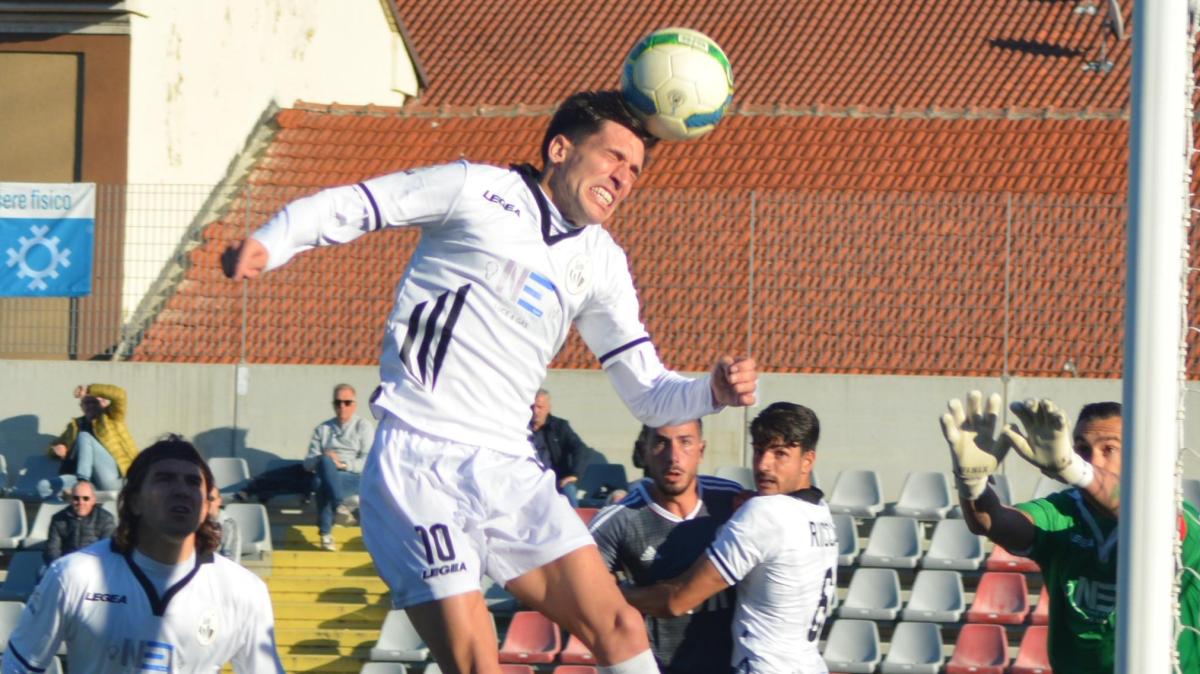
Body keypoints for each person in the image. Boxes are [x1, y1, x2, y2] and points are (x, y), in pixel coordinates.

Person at [223, 89, 758, 674]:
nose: (624, 177)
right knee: (479, 659)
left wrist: (710, 392)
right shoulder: (473, 189)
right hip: (418, 458)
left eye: (634, 170)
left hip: (508, 467)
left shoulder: (602, 261)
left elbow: (647, 392)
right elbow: (355, 205)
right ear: (560, 148)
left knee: (620, 626)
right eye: (612, 158)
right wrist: (272, 241)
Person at [938, 392, 1200, 673]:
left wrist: (1073, 469)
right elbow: (992, 522)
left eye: (1108, 449)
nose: (1093, 460)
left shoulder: (1175, 513)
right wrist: (972, 485)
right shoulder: (1063, 511)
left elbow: (1144, 517)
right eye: (1081, 450)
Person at [2, 435, 285, 673]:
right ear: (134, 501)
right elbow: (17, 667)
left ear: (205, 504)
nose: (181, 490)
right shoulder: (74, 575)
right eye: (165, 479)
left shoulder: (244, 591)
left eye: (192, 482)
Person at [623, 403, 837, 674]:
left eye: (780, 453)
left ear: (808, 460)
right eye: (759, 450)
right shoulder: (820, 511)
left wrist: (622, 593)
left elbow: (677, 600)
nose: (763, 465)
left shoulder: (763, 513)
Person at [589, 418, 742, 673]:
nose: (674, 456)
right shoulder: (619, 519)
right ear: (644, 450)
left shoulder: (731, 501)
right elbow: (585, 592)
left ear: (701, 451)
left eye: (685, 442)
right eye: (661, 442)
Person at [305, 384, 375, 551]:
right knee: (325, 465)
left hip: (353, 477)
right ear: (333, 404)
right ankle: (339, 507)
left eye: (347, 402)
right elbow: (307, 462)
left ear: (354, 404)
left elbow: (368, 461)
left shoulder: (363, 426)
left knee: (322, 483)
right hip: (328, 474)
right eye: (338, 402)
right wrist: (325, 459)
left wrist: (342, 464)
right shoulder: (323, 429)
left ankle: (325, 533)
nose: (342, 406)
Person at [39, 383, 138, 500]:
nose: (90, 406)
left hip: (113, 478)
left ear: (103, 404)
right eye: (87, 403)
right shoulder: (75, 426)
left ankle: (82, 483)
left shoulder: (112, 418)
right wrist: (55, 450)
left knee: (84, 436)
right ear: (81, 406)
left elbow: (120, 395)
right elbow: (53, 446)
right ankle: (73, 512)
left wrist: (89, 390)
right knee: (44, 486)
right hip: (90, 482)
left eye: (94, 402)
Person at [530, 388, 596, 507]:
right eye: (533, 407)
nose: (535, 411)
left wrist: (574, 475)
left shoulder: (560, 427)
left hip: (557, 480)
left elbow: (581, 449)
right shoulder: (521, 428)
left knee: (569, 490)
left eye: (540, 407)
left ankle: (575, 522)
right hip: (529, 480)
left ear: (548, 408)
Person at [43, 480, 116, 565]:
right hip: (65, 566)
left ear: (93, 500)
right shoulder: (58, 519)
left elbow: (107, 552)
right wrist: (60, 567)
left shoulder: (105, 519)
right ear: (71, 499)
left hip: (94, 568)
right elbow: (51, 550)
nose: (81, 502)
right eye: (76, 498)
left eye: (86, 498)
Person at [210, 488, 242, 563]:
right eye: (203, 498)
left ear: (219, 501)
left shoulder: (229, 525)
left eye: (211, 499)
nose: (207, 502)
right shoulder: (193, 523)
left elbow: (231, 561)